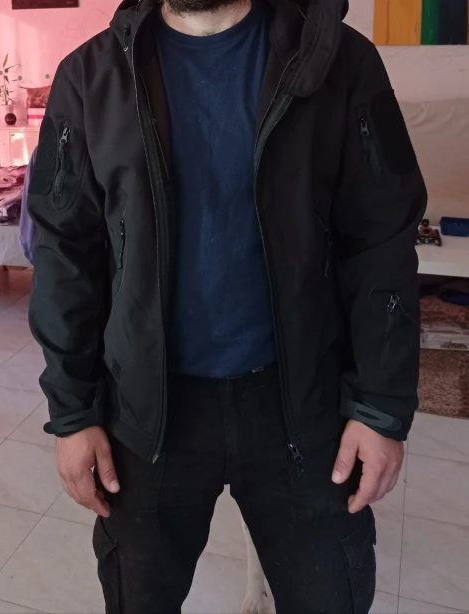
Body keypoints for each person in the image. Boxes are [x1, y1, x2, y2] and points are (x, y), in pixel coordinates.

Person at [27, 0, 427, 611]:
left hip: (303, 407)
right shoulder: (90, 77)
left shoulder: (339, 62)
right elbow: (65, 256)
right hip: (147, 413)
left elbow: (381, 243)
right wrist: (73, 413)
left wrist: (380, 408)